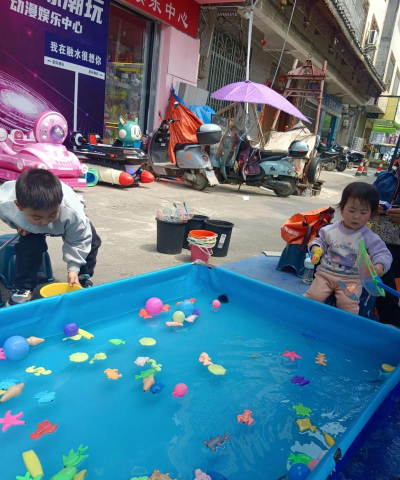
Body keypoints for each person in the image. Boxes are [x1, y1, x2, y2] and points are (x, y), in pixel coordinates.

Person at [0, 169, 101, 306]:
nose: (45, 222)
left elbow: (79, 241)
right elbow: (5, 215)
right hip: (30, 227)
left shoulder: (73, 214)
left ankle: (81, 278)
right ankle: (23, 287)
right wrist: (17, 224)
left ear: (60, 201)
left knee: (92, 241)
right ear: (19, 206)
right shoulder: (5, 203)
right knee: (27, 248)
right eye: (37, 217)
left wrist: (73, 268)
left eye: (52, 215)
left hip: (67, 221)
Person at [304, 182, 392, 315]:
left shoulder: (369, 237)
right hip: (325, 275)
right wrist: (316, 248)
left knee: (348, 306)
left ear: (371, 214)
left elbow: (383, 253)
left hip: (352, 280)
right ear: (342, 208)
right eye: (351, 210)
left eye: (363, 212)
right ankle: (304, 318)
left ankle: (346, 325)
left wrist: (379, 266)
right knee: (313, 297)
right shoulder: (330, 230)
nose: (356, 216)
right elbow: (319, 241)